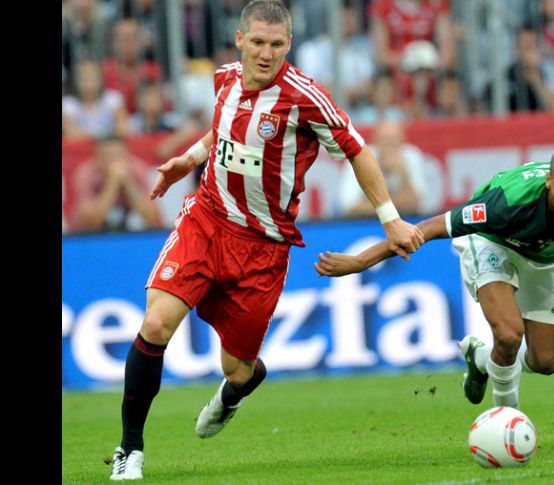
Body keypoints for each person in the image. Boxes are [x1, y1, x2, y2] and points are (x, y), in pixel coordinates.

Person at [108, 1, 424, 480]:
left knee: (237, 368)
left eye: (276, 45)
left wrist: (391, 219)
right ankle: (130, 450)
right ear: (239, 40)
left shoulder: (304, 98)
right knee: (155, 324)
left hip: (263, 249)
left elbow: (358, 150)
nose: (265, 53)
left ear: (288, 46)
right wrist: (188, 159)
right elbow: (221, 131)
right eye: (257, 42)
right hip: (207, 222)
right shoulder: (224, 79)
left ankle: (235, 390)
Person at [314, 144, 554, 413]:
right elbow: (429, 227)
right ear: (550, 181)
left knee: (547, 361)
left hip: (546, 259)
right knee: (508, 333)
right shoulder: (507, 202)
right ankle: (507, 416)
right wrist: (361, 261)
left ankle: (479, 360)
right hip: (491, 244)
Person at [71, 134, 161, 232]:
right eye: (107, 156)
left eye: (118, 156)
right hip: (89, 237)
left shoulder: (138, 169)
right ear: (97, 157)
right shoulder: (85, 173)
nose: (113, 161)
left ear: (127, 155)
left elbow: (152, 218)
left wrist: (129, 183)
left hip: (130, 232)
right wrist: (112, 182)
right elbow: (91, 222)